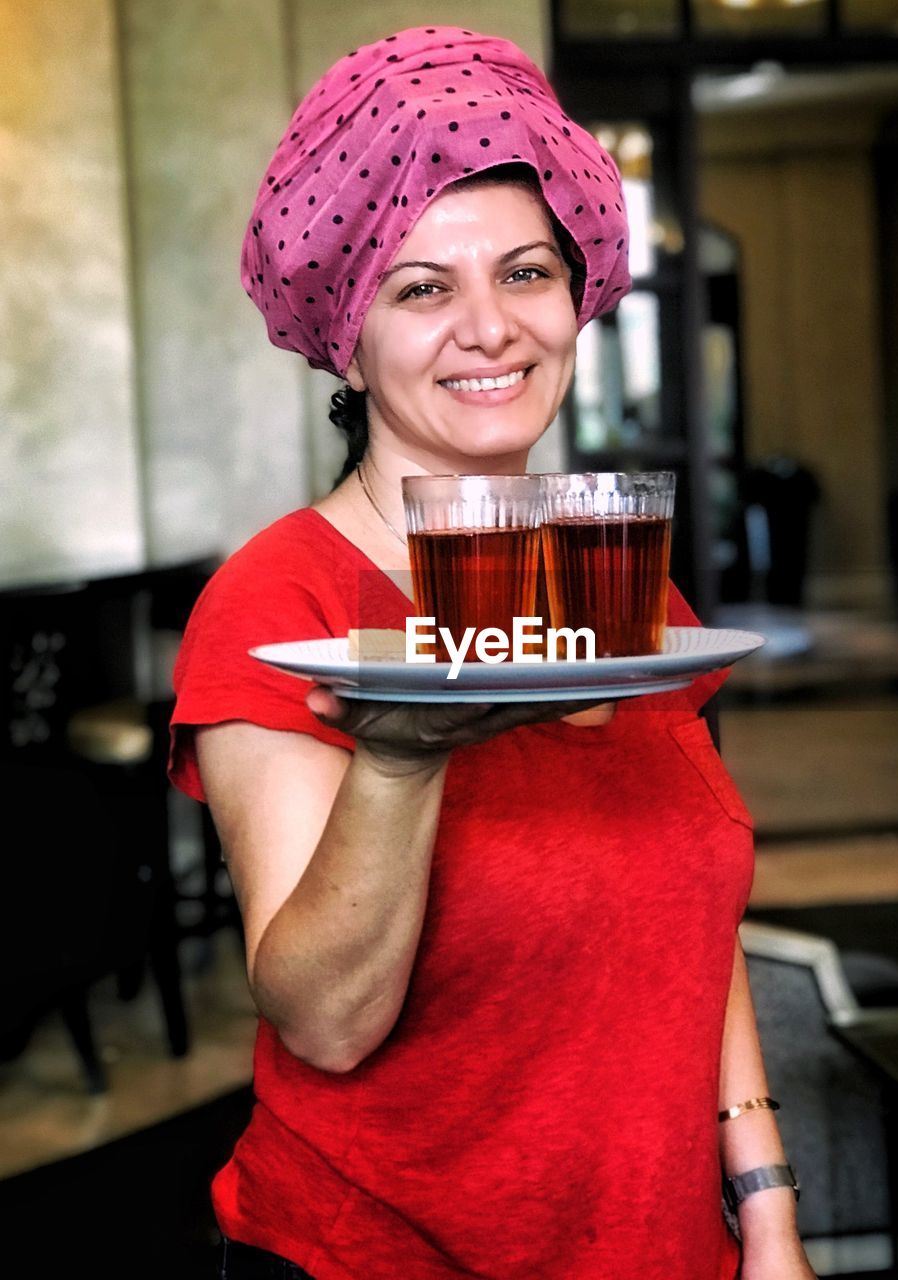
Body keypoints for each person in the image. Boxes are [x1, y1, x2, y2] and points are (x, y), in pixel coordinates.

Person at [169, 25, 815, 1280]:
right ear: (345, 341)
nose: (490, 329)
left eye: (525, 272)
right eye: (421, 288)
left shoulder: (616, 575)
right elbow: (327, 1020)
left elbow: (688, 915)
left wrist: (769, 1211)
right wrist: (397, 761)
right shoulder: (279, 600)